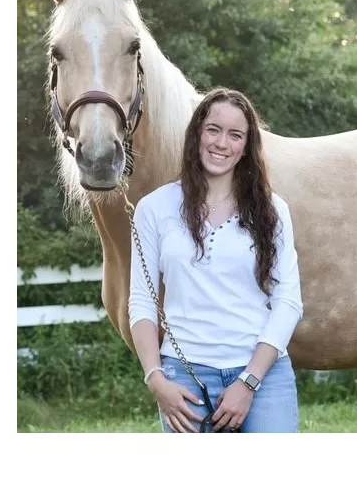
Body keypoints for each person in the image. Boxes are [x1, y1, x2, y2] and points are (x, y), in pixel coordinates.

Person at [128, 88, 304, 433]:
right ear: (197, 133)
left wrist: (248, 382)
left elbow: (289, 303)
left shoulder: (272, 211)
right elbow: (142, 301)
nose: (222, 143)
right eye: (213, 129)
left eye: (235, 134)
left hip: (263, 375)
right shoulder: (154, 209)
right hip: (184, 378)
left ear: (246, 146)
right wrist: (155, 378)